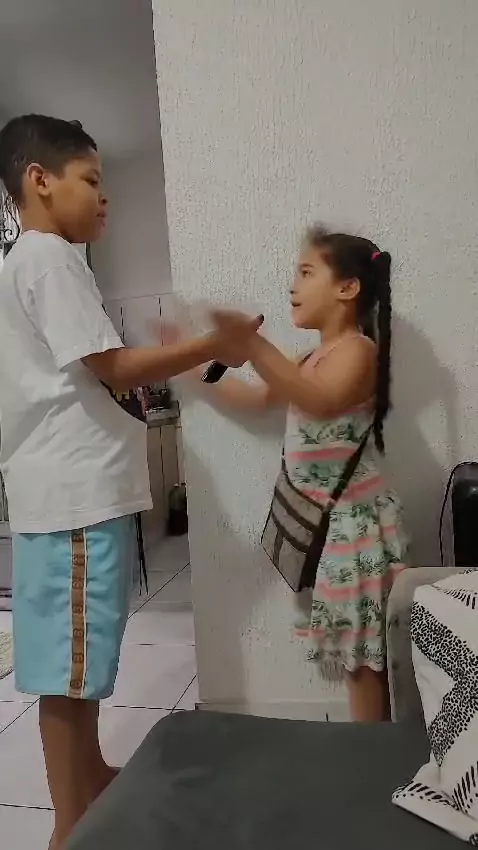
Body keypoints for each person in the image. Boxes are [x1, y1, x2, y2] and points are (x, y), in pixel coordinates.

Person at [0, 114, 261, 849]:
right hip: (75, 499)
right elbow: (112, 368)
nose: (104, 195)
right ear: (39, 181)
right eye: (91, 179)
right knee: (67, 671)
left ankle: (90, 779)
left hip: (71, 497)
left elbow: (96, 371)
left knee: (78, 663)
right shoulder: (48, 257)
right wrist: (214, 344)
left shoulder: (43, 263)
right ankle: (68, 826)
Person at [201, 226, 408, 722]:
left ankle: (370, 752)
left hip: (357, 527)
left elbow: (319, 400)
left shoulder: (357, 351)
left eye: (306, 272)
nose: (292, 284)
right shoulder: (309, 357)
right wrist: (194, 372)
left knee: (363, 659)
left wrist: (253, 346)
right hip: (332, 528)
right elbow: (258, 399)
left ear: (347, 288)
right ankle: (367, 745)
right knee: (355, 652)